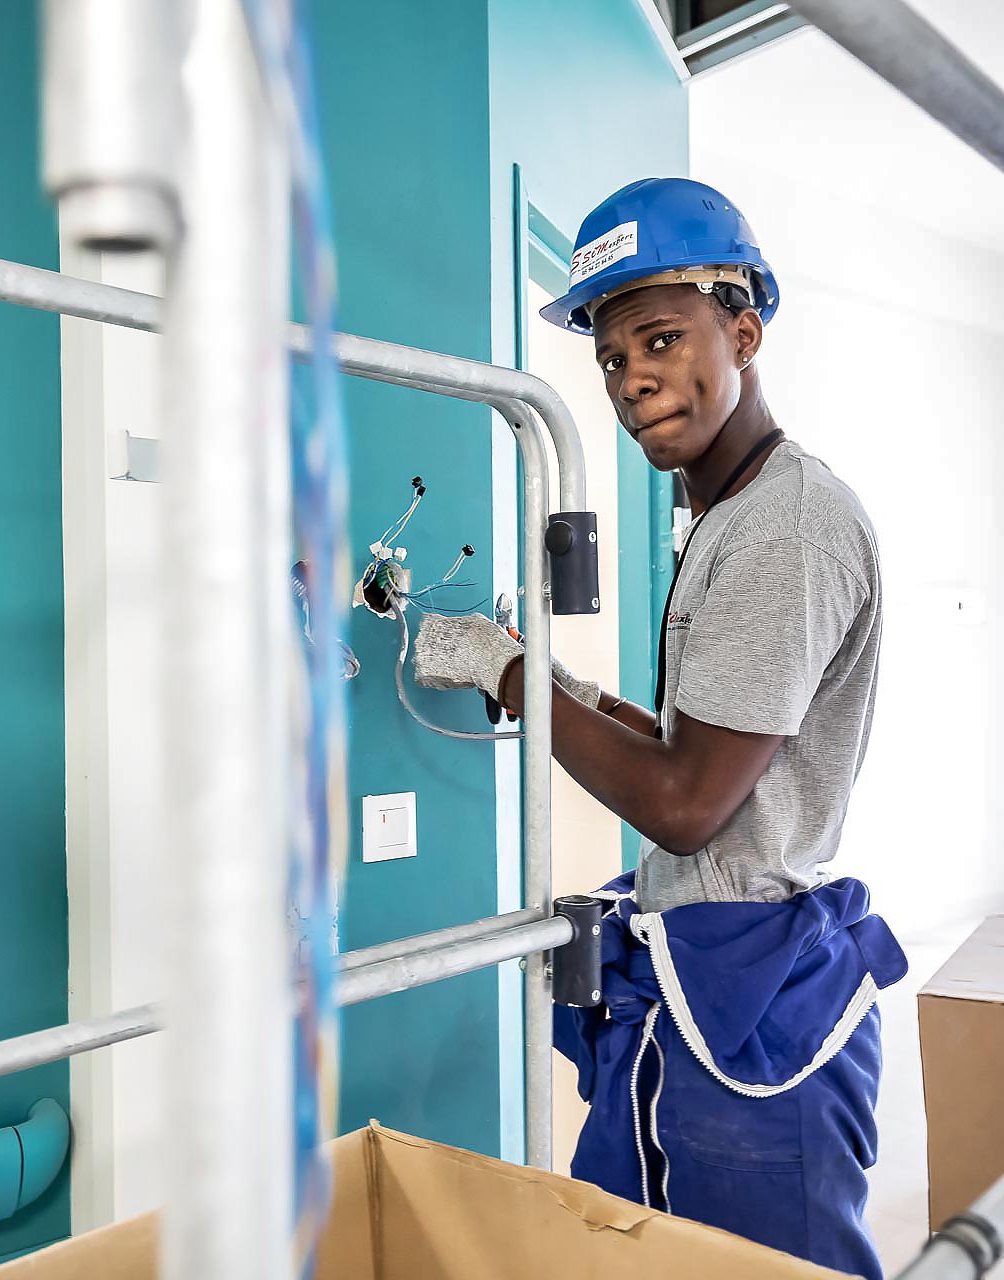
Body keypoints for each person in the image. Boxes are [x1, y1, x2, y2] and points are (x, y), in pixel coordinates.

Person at [412, 177, 907, 1279]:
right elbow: (698, 744)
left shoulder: (783, 526)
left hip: (754, 1004)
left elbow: (686, 804)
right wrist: (542, 683)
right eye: (607, 356)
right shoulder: (729, 513)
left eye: (660, 338)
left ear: (742, 330)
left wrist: (511, 676)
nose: (629, 376)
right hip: (699, 969)